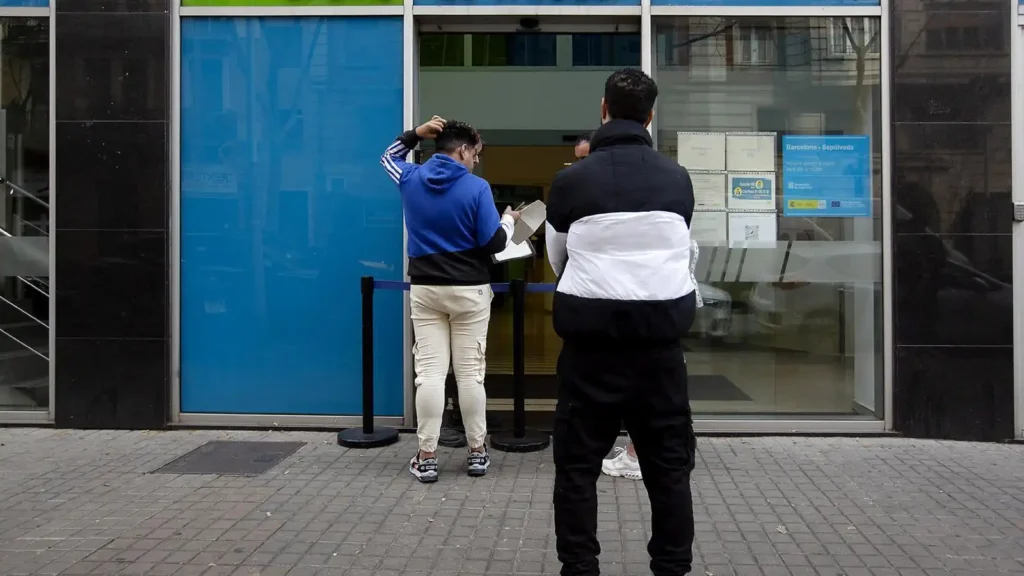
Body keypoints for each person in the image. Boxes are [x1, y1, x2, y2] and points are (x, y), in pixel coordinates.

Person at [546, 69, 698, 576]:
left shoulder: (571, 181)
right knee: (669, 469)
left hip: (589, 350)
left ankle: (580, 568)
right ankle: (672, 569)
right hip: (660, 350)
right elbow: (679, 247)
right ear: (650, 117)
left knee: (576, 468)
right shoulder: (677, 179)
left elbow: (559, 258)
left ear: (603, 109)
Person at [381, 116, 520, 483]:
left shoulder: (411, 178)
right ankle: (477, 452)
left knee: (429, 374)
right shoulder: (477, 187)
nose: (476, 160)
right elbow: (493, 243)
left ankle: (427, 456)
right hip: (470, 290)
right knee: (470, 375)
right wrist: (508, 220)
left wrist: (415, 134)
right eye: (476, 153)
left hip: (426, 289)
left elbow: (387, 158)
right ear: (463, 150)